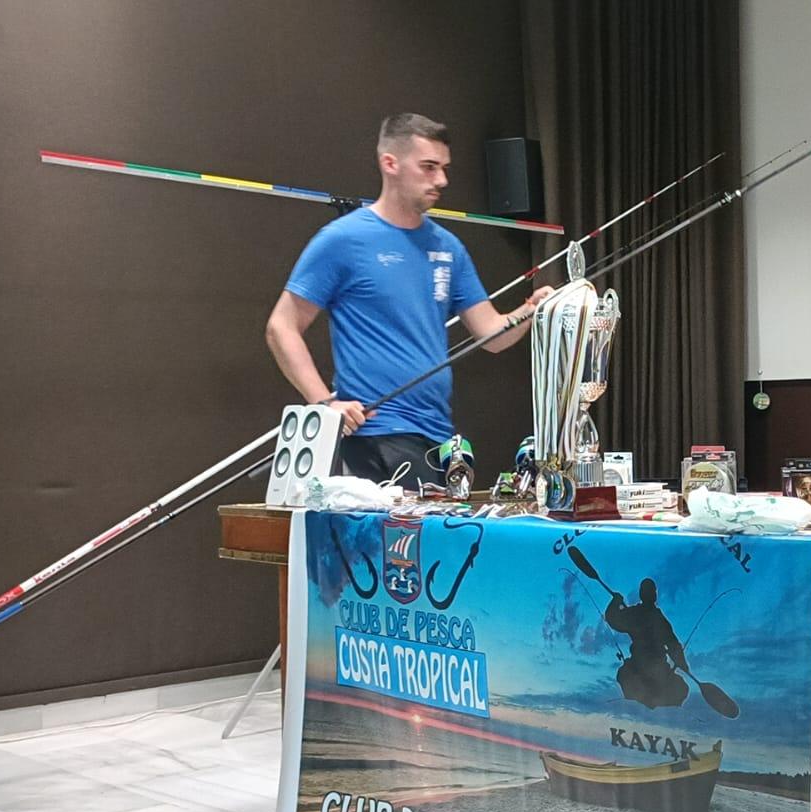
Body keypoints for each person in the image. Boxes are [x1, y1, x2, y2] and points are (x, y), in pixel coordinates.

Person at [265, 113, 553, 486]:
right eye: (429, 167)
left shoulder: (448, 247)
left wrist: (532, 310)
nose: (441, 180)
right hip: (376, 435)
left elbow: (492, 334)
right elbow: (281, 326)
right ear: (391, 164)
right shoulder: (343, 240)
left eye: (444, 168)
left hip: (436, 435)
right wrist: (324, 404)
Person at [605, 578, 690, 709]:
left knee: (681, 688)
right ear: (654, 595)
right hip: (644, 668)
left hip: (653, 668)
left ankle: (649, 697)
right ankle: (650, 697)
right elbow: (673, 645)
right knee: (681, 688)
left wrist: (615, 601)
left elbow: (612, 618)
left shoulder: (637, 614)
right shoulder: (653, 617)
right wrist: (682, 664)